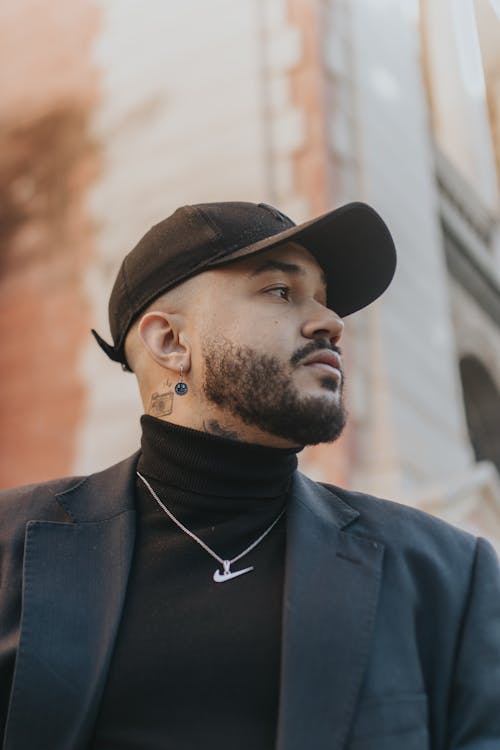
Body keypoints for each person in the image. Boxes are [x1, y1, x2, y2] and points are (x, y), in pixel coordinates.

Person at [0, 200, 499, 750]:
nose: (331, 323)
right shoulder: (12, 547)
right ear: (170, 341)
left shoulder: (450, 575)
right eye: (280, 292)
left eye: (326, 302)